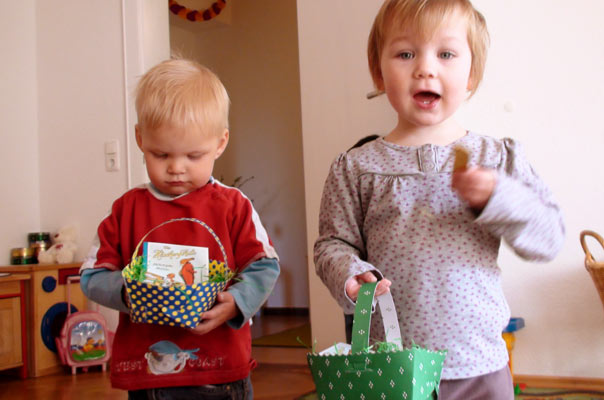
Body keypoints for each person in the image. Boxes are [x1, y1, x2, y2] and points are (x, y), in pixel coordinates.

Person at [313, 1, 565, 399]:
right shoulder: (356, 167)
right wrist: (348, 272)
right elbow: (332, 243)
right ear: (379, 72)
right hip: (391, 367)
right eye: (405, 53)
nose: (425, 68)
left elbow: (549, 236)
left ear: (472, 74)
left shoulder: (497, 159)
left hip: (480, 366)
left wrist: (498, 197)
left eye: (446, 54)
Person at [80, 58, 280, 400]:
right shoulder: (126, 209)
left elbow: (264, 265)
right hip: (149, 372)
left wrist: (235, 302)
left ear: (220, 143)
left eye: (193, 155)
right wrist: (129, 292)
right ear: (140, 138)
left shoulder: (234, 206)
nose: (176, 168)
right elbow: (91, 276)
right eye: (161, 154)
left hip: (220, 372)